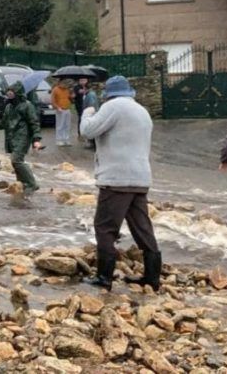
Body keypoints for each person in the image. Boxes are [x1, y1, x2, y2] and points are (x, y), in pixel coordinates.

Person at [80, 75, 160, 291]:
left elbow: (87, 131)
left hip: (116, 179)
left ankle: (104, 277)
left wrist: (87, 111)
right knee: (142, 228)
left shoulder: (113, 107)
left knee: (105, 227)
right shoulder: (142, 111)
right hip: (140, 178)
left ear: (109, 93)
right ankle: (152, 278)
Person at [0, 82, 43, 196]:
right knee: (15, 163)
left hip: (23, 137)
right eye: (8, 93)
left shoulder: (27, 106)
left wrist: (36, 139)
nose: (9, 95)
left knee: (16, 160)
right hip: (11, 138)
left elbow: (34, 123)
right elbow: (4, 123)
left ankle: (32, 183)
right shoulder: (9, 107)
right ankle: (21, 184)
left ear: (18, 94)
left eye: (12, 93)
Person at [52, 79, 74, 146]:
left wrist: (72, 96)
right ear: (60, 83)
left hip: (67, 108)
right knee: (60, 125)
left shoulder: (67, 90)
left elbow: (69, 98)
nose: (65, 85)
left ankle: (66, 139)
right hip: (60, 109)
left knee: (67, 125)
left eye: (66, 84)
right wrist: (57, 107)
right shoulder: (55, 89)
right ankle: (59, 140)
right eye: (64, 83)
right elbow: (53, 101)